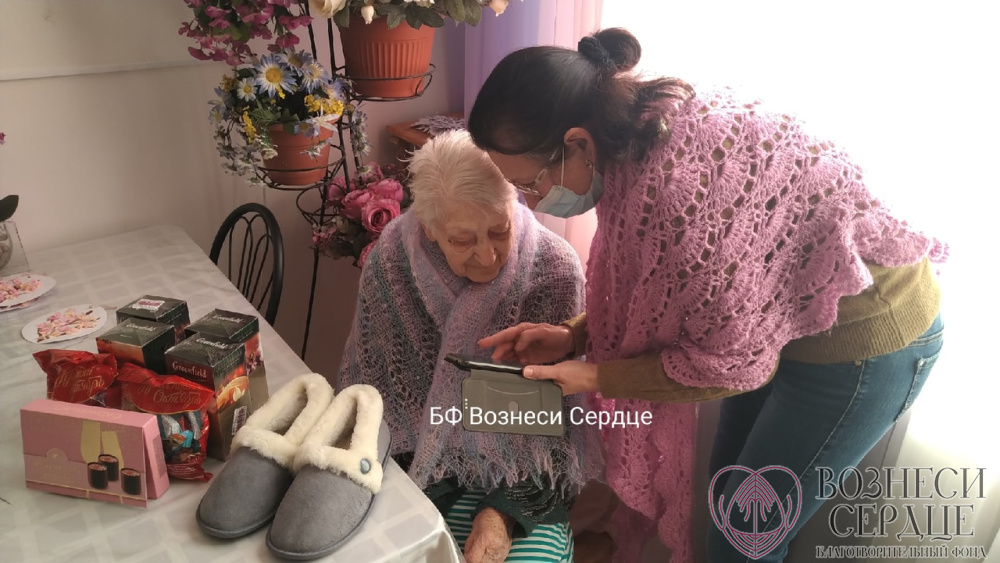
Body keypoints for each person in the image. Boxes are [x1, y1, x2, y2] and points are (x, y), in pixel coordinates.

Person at [468, 28, 946, 562]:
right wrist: (572, 336)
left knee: (744, 537)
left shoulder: (677, 188)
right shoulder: (634, 140)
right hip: (776, 323)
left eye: (530, 183)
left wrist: (595, 376)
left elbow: (723, 365)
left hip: (867, 339)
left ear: (577, 143)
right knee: (726, 501)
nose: (532, 204)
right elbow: (664, 294)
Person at [337, 130, 603, 563]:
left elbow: (555, 429)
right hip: (412, 465)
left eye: (500, 230)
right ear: (429, 227)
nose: (488, 255)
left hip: (525, 478)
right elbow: (376, 404)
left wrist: (500, 515)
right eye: (462, 240)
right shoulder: (391, 262)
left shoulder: (554, 269)